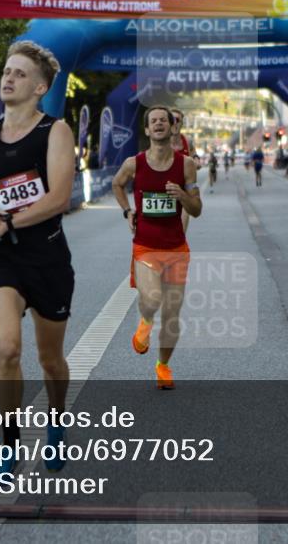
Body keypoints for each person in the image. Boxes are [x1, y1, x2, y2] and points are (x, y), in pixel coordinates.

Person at [0, 41, 76, 487]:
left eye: (19, 74)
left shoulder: (56, 131)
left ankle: (56, 420)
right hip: (3, 255)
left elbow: (59, 199)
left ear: (40, 87)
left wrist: (5, 219)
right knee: (8, 347)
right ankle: (9, 447)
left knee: (50, 360)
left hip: (46, 256)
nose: (8, 78)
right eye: (6, 71)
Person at [111, 106, 202, 390]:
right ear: (148, 130)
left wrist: (183, 196)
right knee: (151, 299)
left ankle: (163, 366)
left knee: (172, 314)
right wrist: (128, 211)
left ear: (172, 127)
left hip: (176, 248)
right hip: (145, 246)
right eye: (154, 121)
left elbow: (197, 210)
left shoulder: (186, 164)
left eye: (165, 120)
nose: (160, 123)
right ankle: (145, 321)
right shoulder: (134, 163)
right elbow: (117, 184)